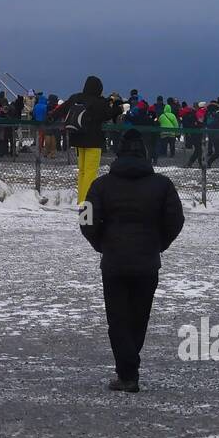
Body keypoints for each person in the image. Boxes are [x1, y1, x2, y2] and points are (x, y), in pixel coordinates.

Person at [80, 129, 184, 393]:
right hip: (147, 262)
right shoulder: (163, 185)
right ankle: (129, 371)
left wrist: (100, 244)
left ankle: (127, 373)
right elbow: (176, 220)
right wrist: (159, 244)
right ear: (145, 153)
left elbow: (85, 220)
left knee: (117, 320)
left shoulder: (101, 185)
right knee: (139, 318)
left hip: (114, 261)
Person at [55, 75, 109, 204]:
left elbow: (61, 110)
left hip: (78, 139)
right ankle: (87, 201)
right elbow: (106, 115)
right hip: (94, 141)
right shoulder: (98, 102)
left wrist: (50, 118)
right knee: (91, 172)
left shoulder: (76, 98)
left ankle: (81, 200)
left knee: (82, 171)